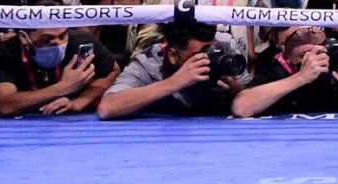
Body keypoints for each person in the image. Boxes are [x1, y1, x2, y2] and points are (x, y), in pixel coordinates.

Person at [97, 20, 249, 120]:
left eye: (210, 49)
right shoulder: (149, 63)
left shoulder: (224, 48)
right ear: (172, 55)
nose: (208, 57)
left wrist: (236, 91)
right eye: (199, 55)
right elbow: (107, 108)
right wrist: (174, 83)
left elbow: (253, 93)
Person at [233, 26, 338, 118]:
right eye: (304, 52)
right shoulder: (277, 66)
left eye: (315, 46)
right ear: (285, 51)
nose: (313, 57)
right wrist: (300, 78)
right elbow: (241, 107)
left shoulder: (336, 59)